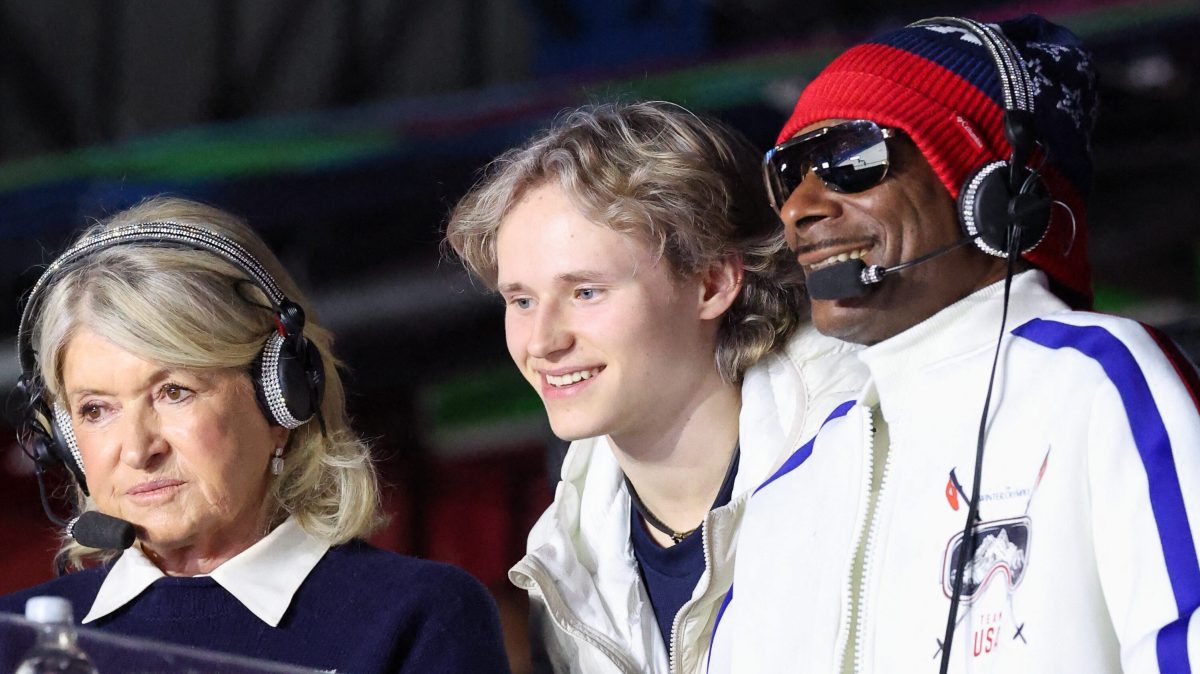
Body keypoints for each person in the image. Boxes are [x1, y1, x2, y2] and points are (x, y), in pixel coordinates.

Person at [708, 14, 1200, 673]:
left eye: (850, 160)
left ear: (993, 194)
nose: (800, 208)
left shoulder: (1098, 383)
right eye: (788, 175)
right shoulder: (786, 493)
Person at [0, 197, 510, 673]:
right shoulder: (15, 642)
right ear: (64, 438)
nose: (137, 449)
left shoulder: (421, 616)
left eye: (174, 392)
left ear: (281, 398)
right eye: (95, 409)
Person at [445, 101, 865, 673]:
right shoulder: (566, 553)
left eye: (585, 292)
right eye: (520, 300)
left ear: (713, 283)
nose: (541, 341)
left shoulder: (865, 453)